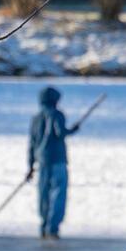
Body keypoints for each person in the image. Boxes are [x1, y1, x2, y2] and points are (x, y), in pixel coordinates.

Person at [27, 87, 83, 240]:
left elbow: (31, 144)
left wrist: (30, 166)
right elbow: (60, 133)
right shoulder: (57, 115)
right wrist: (73, 130)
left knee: (43, 193)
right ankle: (53, 228)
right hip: (57, 160)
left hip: (42, 161)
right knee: (58, 193)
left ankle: (44, 225)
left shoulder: (36, 118)